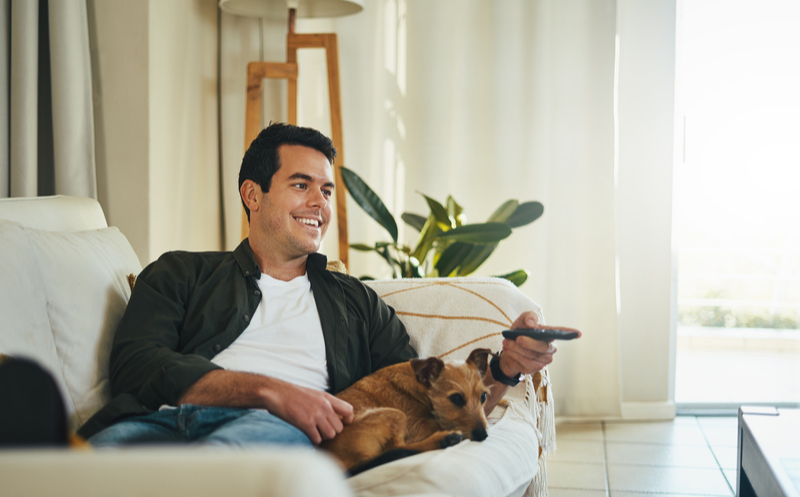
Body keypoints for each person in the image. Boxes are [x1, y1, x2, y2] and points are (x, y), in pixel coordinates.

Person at [80, 123, 556, 447]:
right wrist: (270, 389)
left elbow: (426, 403)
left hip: (269, 436)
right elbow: (136, 366)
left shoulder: (356, 303)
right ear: (252, 193)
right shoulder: (181, 273)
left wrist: (506, 371)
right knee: (61, 489)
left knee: (214, 486)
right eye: (301, 185)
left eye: (326, 190)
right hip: (152, 425)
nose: (319, 204)